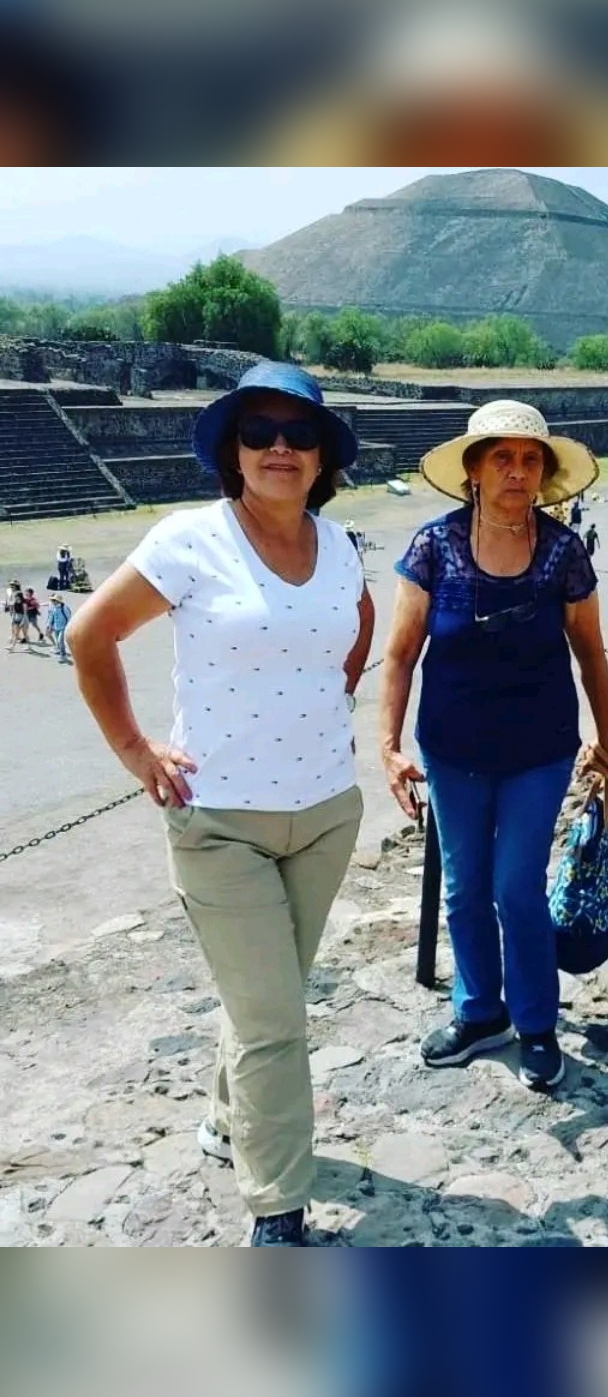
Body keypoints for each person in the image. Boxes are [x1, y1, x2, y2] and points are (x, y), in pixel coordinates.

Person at [65, 361, 374, 1247]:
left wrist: (328, 703)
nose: (279, 447)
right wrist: (137, 751)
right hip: (221, 822)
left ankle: (225, 1118)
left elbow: (356, 627)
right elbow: (90, 634)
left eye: (299, 433)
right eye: (258, 431)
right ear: (232, 451)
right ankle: (278, 1207)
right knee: (277, 1020)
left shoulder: (338, 545)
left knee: (267, 999)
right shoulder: (189, 540)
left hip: (326, 813)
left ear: (322, 456)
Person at [379, 401, 608, 1093]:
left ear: (543, 473)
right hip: (453, 749)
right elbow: (400, 654)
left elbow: (590, 650)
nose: (517, 471)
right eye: (502, 458)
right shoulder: (434, 546)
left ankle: (537, 1023)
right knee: (464, 889)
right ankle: (481, 1011)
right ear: (474, 471)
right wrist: (388, 746)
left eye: (530, 459)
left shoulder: (562, 552)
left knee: (516, 887)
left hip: (539, 749)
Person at [47, 591, 71, 663]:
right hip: (56, 627)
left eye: (53, 600)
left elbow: (68, 617)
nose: (52, 601)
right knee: (58, 642)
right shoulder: (53, 608)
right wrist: (49, 625)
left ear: (57, 601)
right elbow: (51, 617)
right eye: (52, 600)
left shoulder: (64, 607)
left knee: (60, 641)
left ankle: (63, 656)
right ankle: (62, 652)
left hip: (63, 627)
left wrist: (68, 626)